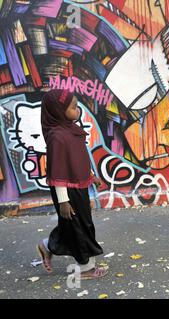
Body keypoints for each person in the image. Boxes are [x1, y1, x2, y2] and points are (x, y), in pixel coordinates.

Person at [36, 89, 108, 279]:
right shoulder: (57, 137)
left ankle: (47, 245)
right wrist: (63, 202)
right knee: (79, 226)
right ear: (59, 111)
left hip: (78, 187)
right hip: (67, 192)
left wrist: (92, 176)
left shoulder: (69, 129)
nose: (78, 111)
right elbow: (58, 170)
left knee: (79, 224)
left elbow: (77, 159)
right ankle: (85, 269)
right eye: (73, 107)